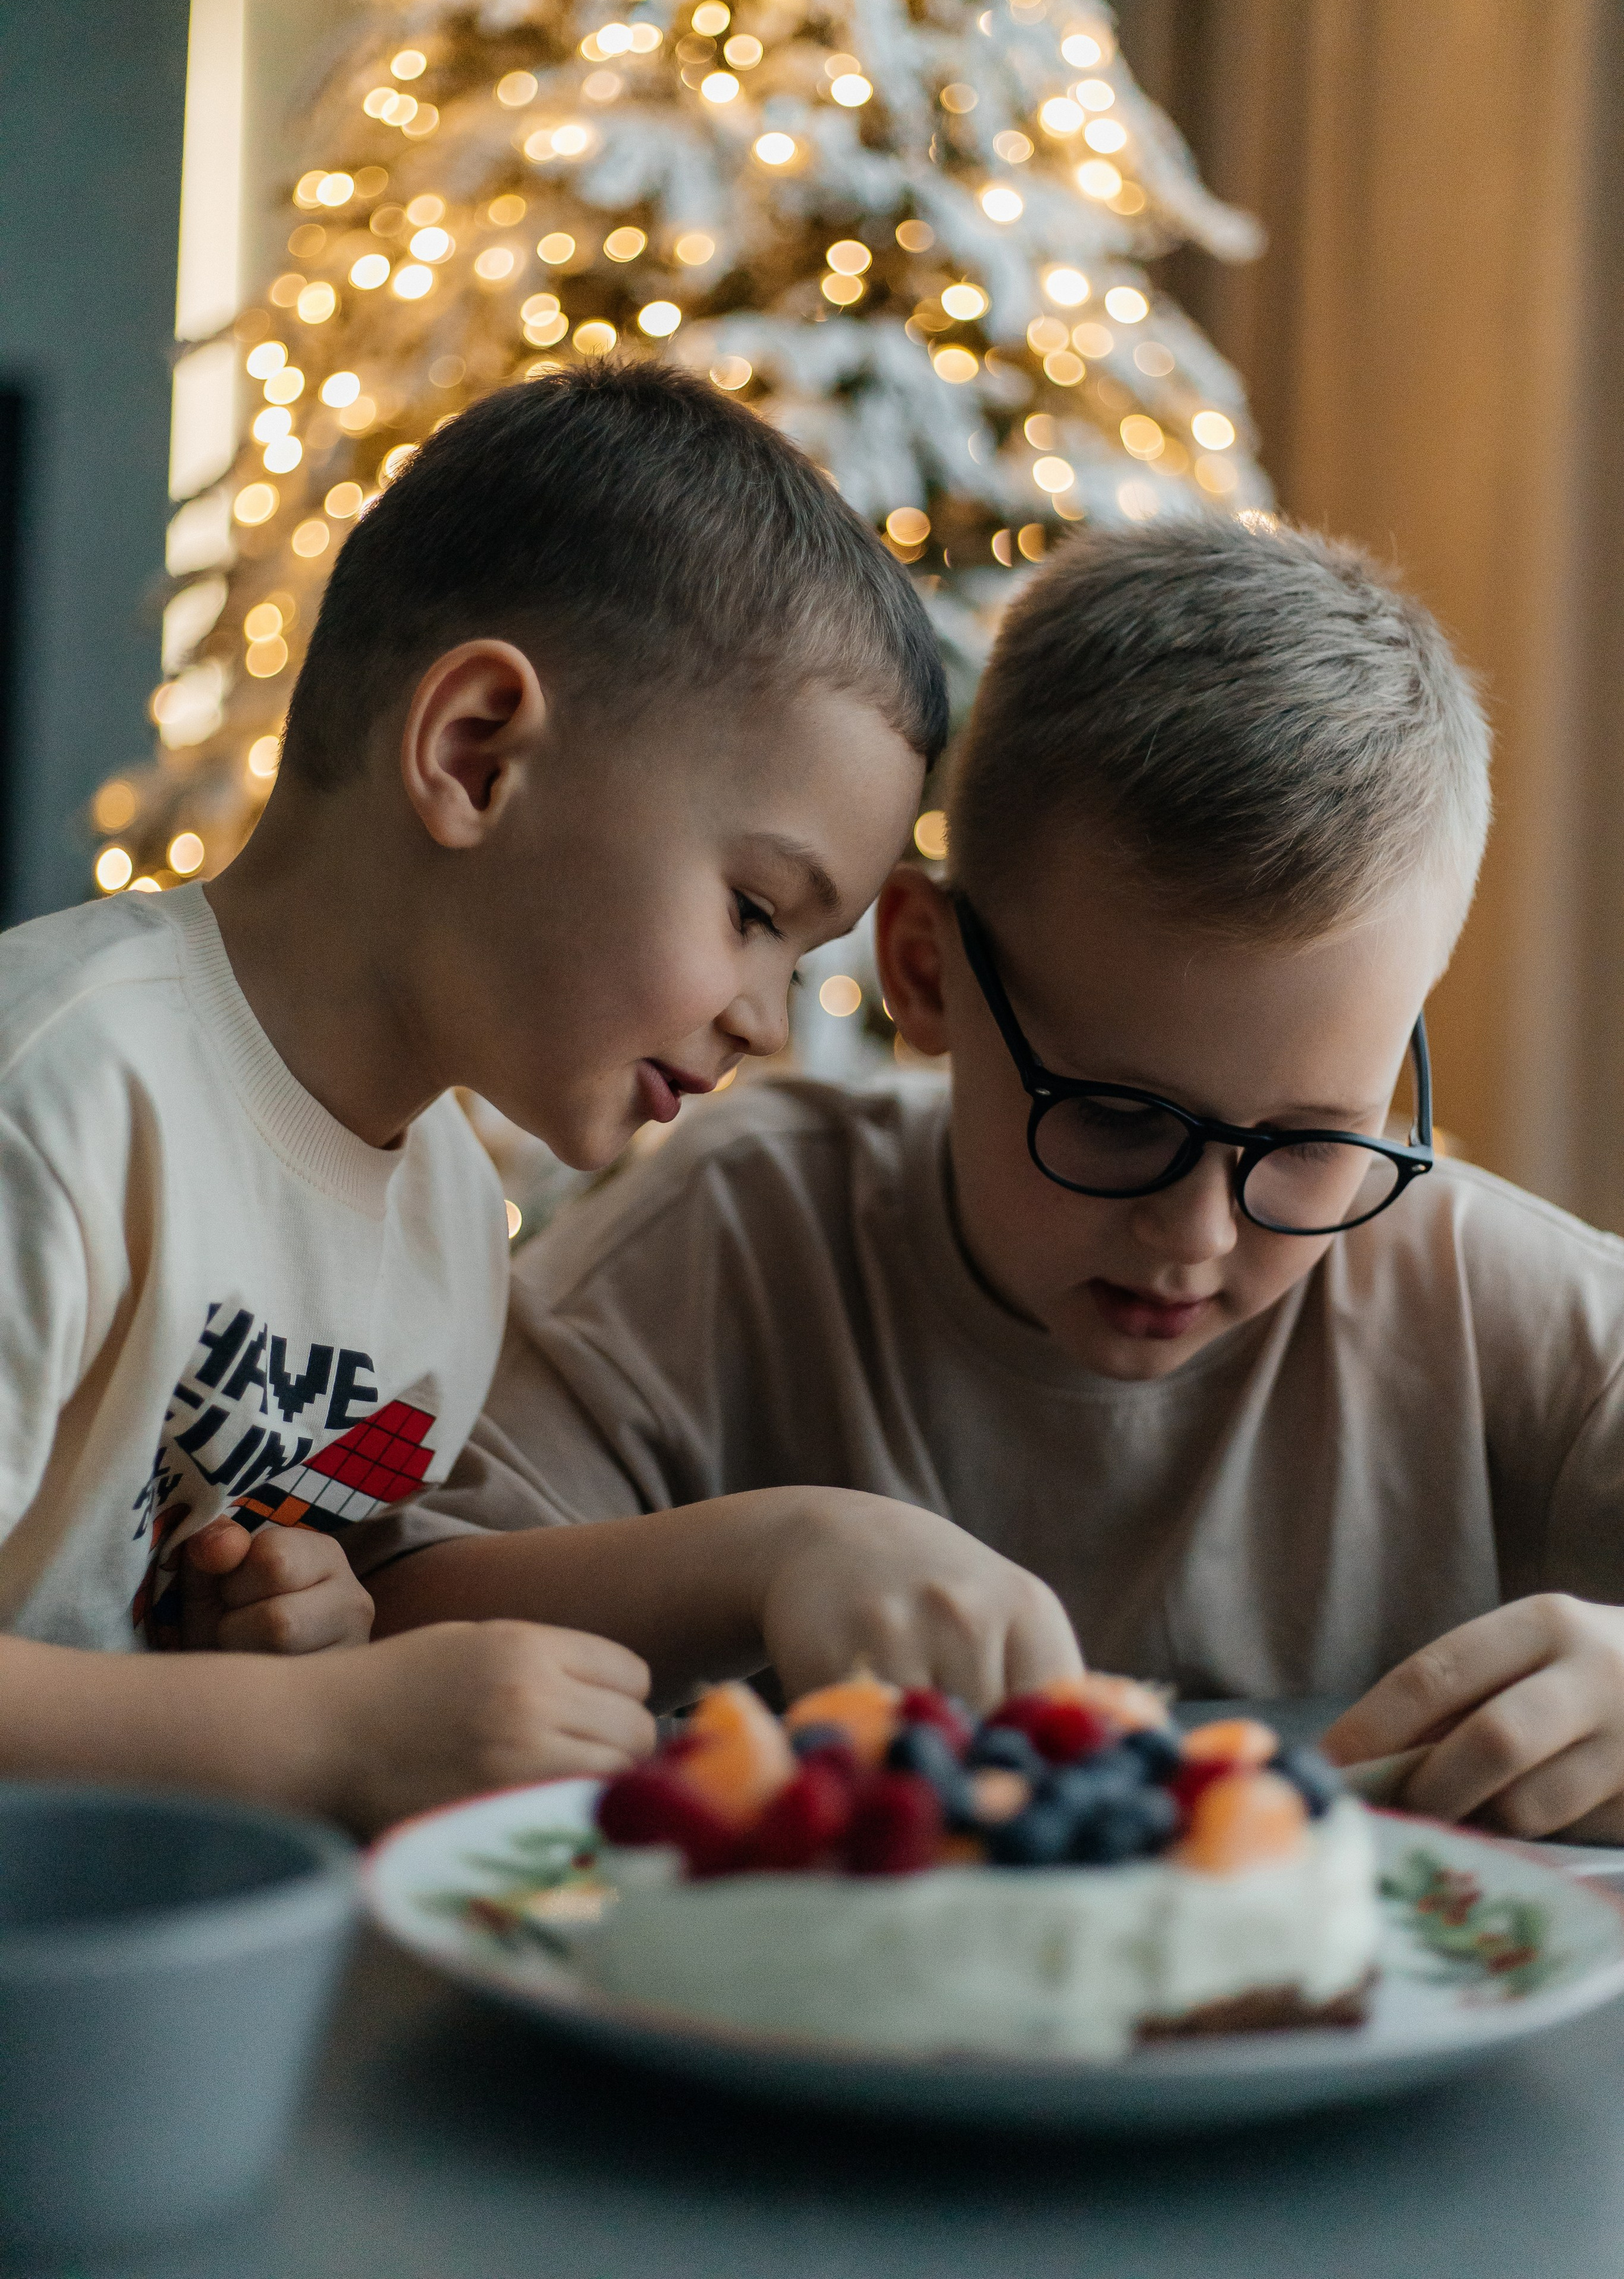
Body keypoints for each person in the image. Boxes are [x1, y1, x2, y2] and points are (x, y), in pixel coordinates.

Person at [362, 516, 1624, 1845]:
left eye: (1311, 1141)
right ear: (924, 971)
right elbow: (388, 1605)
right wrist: (766, 1555)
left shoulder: (1505, 1314)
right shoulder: (735, 1236)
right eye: (1115, 1118)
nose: (1193, 1235)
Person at [0, 363, 1077, 1836]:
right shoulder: (56, 1091)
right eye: (757, 909)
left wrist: (796, 1545)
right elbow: (313, 1721)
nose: (765, 1023)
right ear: (475, 755)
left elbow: (382, 1591)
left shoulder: (444, 1209)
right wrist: (304, 1732)